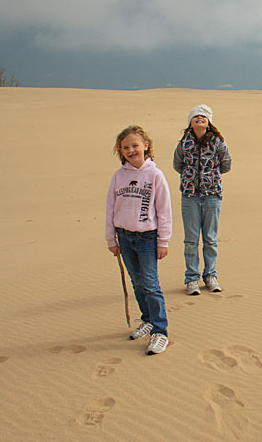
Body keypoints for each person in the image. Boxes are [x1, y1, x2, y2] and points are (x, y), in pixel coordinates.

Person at [105, 125, 173, 355]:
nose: (131, 150)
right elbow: (110, 208)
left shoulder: (155, 175)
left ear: (146, 146)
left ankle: (160, 331)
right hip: (124, 238)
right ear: (120, 151)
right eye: (125, 147)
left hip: (147, 238)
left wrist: (163, 241)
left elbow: (164, 211)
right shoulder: (119, 176)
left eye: (135, 145)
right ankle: (148, 319)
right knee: (137, 283)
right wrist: (111, 239)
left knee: (151, 285)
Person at [173, 105, 232, 295]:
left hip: (212, 195)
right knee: (191, 240)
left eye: (203, 117)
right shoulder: (183, 144)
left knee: (210, 238)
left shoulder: (218, 143)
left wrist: (210, 176)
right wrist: (190, 177)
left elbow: (226, 164)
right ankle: (191, 278)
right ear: (190, 123)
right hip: (189, 196)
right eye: (195, 117)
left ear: (209, 122)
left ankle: (210, 276)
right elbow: (178, 164)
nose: (200, 119)